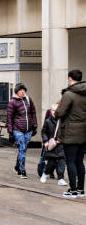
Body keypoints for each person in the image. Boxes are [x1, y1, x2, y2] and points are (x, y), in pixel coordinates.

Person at [55, 69, 86, 198]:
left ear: (69, 79)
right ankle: (80, 190)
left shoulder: (68, 94)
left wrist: (56, 111)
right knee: (80, 161)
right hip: (84, 132)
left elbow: (60, 113)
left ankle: (72, 190)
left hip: (70, 133)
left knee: (71, 162)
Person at [7, 83, 38, 179]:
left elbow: (33, 112)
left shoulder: (28, 99)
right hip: (18, 129)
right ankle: (22, 170)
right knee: (22, 148)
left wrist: (35, 125)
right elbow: (9, 117)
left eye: (24, 90)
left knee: (23, 150)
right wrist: (11, 131)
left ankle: (17, 166)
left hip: (28, 130)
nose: (23, 92)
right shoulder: (12, 102)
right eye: (21, 90)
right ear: (16, 91)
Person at [40, 103, 68, 186]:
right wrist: (45, 141)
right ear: (50, 111)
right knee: (51, 164)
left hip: (61, 145)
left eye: (57, 110)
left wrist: (62, 139)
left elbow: (67, 132)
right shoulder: (48, 121)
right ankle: (45, 174)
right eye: (53, 110)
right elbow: (43, 132)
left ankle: (61, 178)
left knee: (62, 163)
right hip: (52, 146)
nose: (55, 112)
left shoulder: (63, 121)